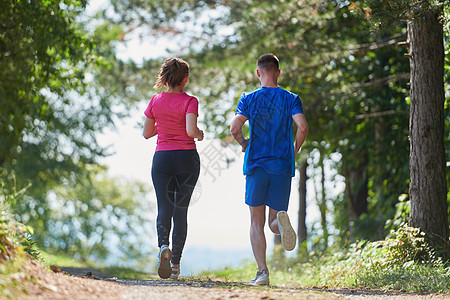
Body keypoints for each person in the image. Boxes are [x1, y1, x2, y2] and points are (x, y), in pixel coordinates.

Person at [230, 53, 308, 286]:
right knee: (274, 220)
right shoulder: (291, 98)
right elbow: (302, 127)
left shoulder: (248, 99)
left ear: (258, 73)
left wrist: (244, 143)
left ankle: (262, 272)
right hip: (282, 166)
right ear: (278, 72)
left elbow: (235, 127)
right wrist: (293, 151)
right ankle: (281, 224)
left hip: (256, 165)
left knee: (256, 222)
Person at [143, 57, 204, 280]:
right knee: (181, 211)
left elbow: (147, 133)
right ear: (185, 79)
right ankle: (176, 264)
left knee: (163, 207)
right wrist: (200, 134)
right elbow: (190, 131)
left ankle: (162, 247)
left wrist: (166, 123)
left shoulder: (155, 101)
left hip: (162, 159)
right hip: (186, 158)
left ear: (166, 78)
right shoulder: (190, 101)